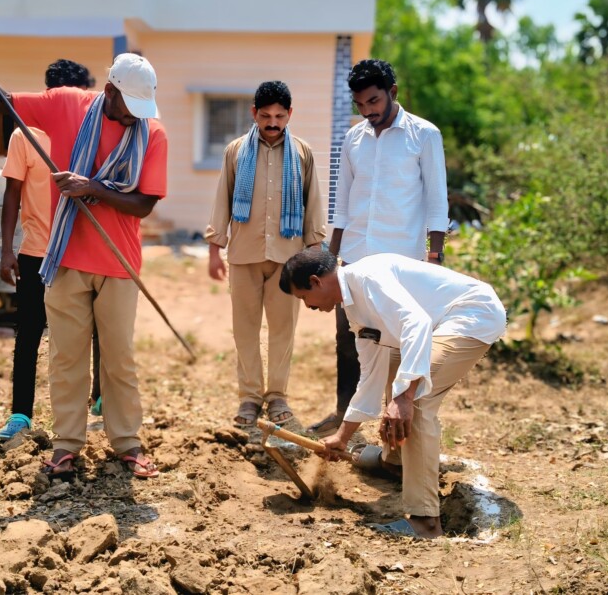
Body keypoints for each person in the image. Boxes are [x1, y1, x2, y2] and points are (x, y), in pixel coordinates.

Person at [0, 19, 167, 479]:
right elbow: (3, 104)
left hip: (119, 264)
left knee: (118, 359)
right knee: (66, 357)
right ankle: (67, 445)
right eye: (129, 104)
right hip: (64, 259)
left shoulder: (152, 132)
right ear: (108, 90)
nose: (135, 116)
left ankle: (127, 443)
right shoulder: (67, 105)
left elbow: (143, 204)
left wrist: (94, 188)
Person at [280, 248, 506, 539]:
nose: (307, 306)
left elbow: (417, 323)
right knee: (395, 370)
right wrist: (343, 437)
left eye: (303, 297)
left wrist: (403, 398)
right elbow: (371, 375)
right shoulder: (354, 309)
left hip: (471, 315)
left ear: (316, 281)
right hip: (438, 324)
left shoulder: (368, 278)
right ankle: (395, 462)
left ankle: (425, 522)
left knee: (417, 400)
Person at [310, 59, 449, 438]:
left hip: (401, 263)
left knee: (400, 343)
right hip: (354, 257)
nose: (368, 111)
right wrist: (329, 256)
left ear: (393, 92)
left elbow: (437, 202)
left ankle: (396, 427)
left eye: (373, 101)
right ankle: (343, 415)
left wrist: (434, 257)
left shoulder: (424, 135)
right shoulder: (353, 139)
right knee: (349, 340)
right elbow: (341, 205)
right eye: (360, 105)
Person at [205, 81, 325, 428]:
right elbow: (222, 200)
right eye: (266, 116)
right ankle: (249, 398)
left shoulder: (302, 153)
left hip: (289, 260)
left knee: (282, 330)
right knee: (244, 330)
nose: (273, 123)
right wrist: (216, 250)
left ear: (290, 115)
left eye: (279, 116)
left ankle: (277, 397)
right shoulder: (235, 151)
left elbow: (312, 203)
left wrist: (314, 253)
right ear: (253, 114)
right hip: (243, 255)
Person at [0, 59, 103, 443]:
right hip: (37, 253)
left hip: (82, 250)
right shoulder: (25, 134)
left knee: (95, 327)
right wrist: (8, 250)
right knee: (28, 335)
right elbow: (12, 192)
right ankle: (21, 413)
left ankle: (100, 399)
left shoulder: (93, 133)